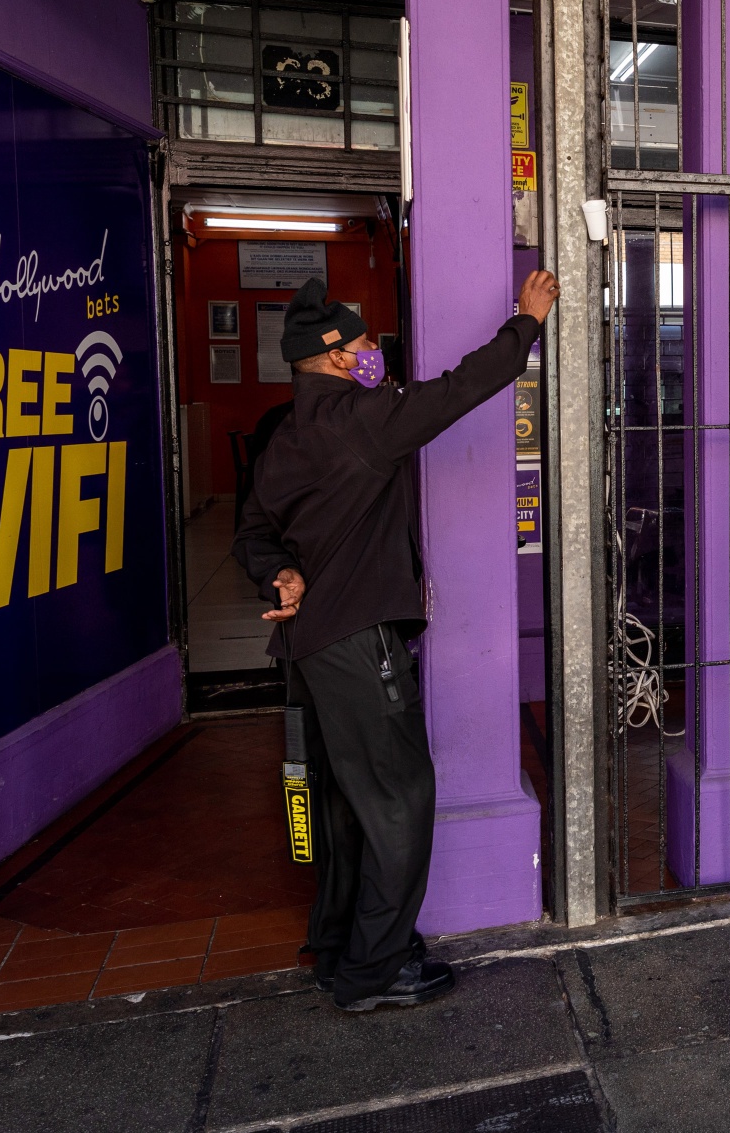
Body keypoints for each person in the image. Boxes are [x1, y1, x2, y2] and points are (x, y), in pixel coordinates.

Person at [233, 269, 558, 1012]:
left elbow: (251, 533)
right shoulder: (362, 421)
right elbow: (462, 388)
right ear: (337, 356)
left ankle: (340, 948)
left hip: (310, 652)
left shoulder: (282, 435)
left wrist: (279, 572)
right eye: (363, 344)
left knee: (344, 803)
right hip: (357, 644)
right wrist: (527, 322)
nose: (373, 352)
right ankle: (375, 971)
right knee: (400, 799)